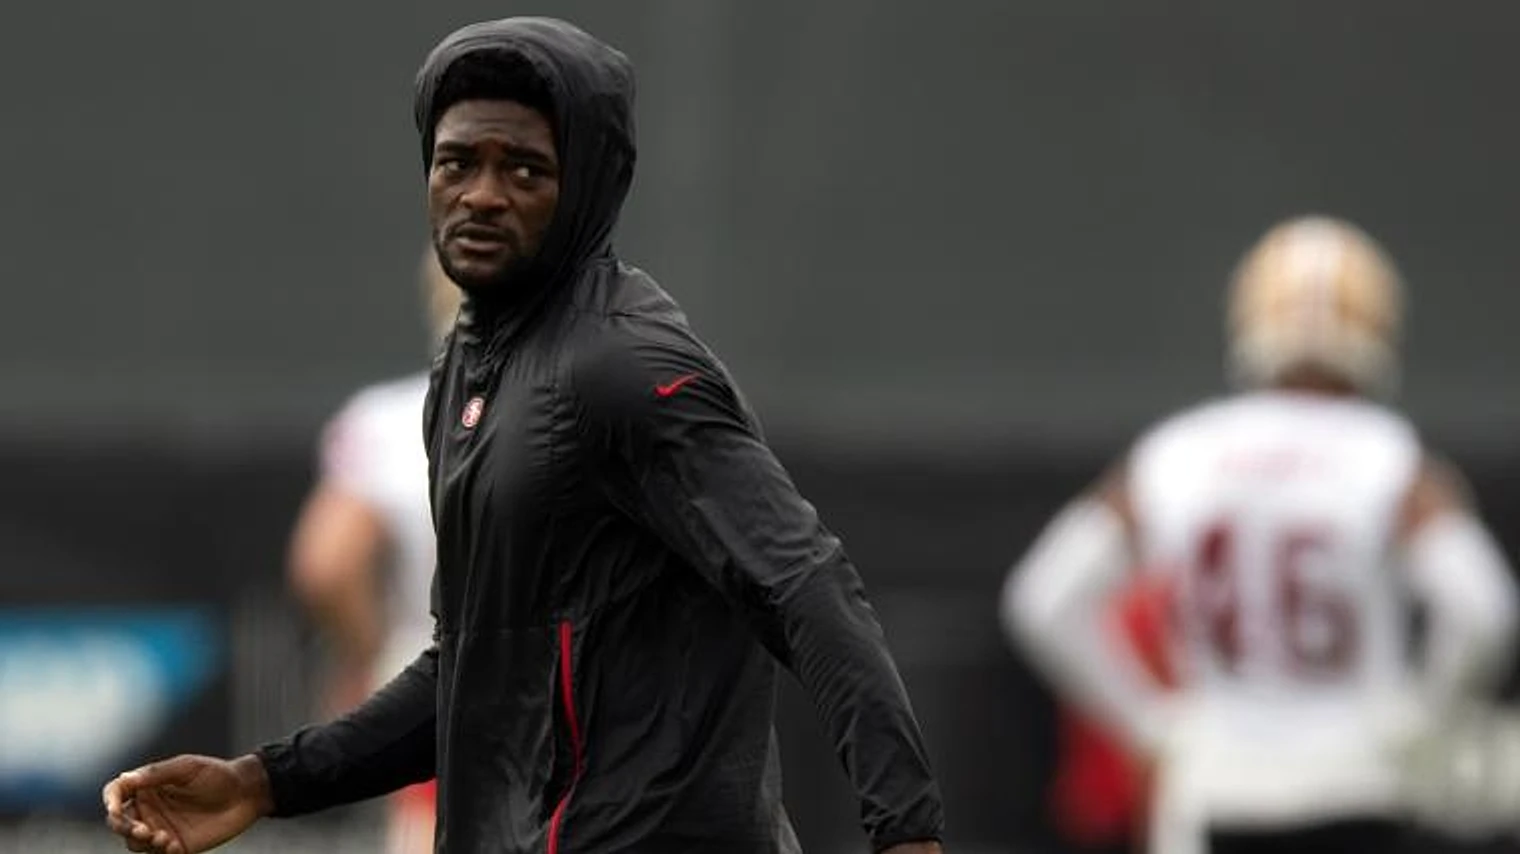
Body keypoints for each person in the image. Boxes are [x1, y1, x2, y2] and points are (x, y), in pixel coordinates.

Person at [102, 17, 945, 854]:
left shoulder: (628, 365)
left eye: (525, 170)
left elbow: (807, 588)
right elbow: (471, 672)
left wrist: (905, 830)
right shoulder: (466, 374)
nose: (481, 194)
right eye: (457, 163)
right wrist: (262, 782)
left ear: (587, 187)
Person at [1000, 215, 1519, 854]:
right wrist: (1421, 721)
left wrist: (1151, 724)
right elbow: (1483, 609)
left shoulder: (1177, 453)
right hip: (1355, 786)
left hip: (1220, 793)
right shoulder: (1390, 458)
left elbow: (1044, 597)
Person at [285, 249, 458, 854]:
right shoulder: (594, 405)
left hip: (440, 696)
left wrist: (368, 656)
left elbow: (326, 562)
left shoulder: (389, 423)